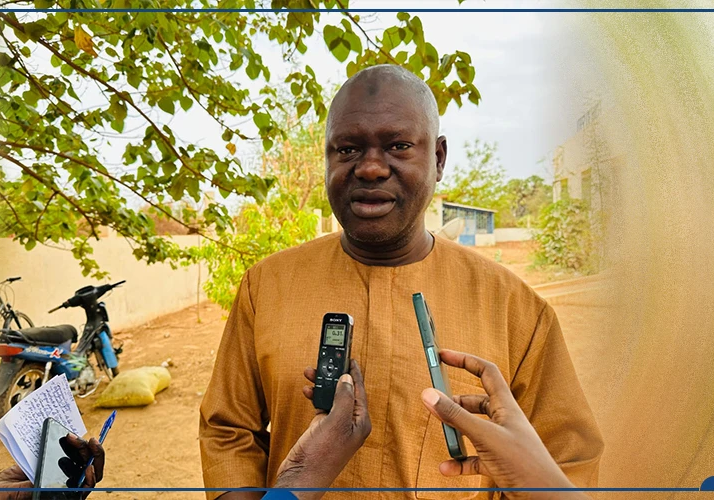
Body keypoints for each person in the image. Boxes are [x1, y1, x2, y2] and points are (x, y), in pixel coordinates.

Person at [199, 64, 604, 499]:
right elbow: (229, 431)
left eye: (398, 145)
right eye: (348, 149)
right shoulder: (267, 286)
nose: (370, 168)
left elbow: (567, 461)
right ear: (327, 160)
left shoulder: (516, 309)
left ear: (439, 158)